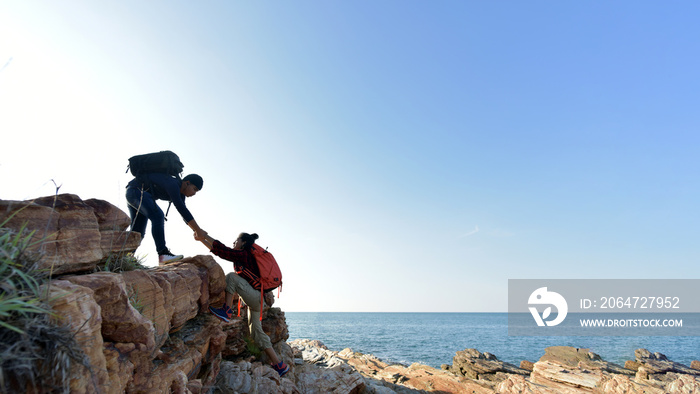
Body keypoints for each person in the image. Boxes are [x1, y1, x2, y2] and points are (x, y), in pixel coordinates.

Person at [196, 231, 290, 377]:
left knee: (231, 277)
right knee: (256, 333)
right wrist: (203, 239)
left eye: (236, 241)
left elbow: (223, 251)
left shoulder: (244, 255)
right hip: (257, 300)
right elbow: (221, 251)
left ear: (243, 242)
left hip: (255, 298)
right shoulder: (244, 256)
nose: (234, 243)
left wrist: (205, 236)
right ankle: (279, 365)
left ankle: (226, 310)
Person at [126, 172, 207, 264]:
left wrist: (196, 230)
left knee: (138, 232)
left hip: (136, 194)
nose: (194, 193)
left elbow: (184, 214)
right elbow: (181, 208)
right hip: (135, 192)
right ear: (187, 183)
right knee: (158, 216)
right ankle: (163, 253)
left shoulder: (181, 194)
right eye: (194, 189)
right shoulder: (173, 184)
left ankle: (126, 257)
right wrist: (197, 229)